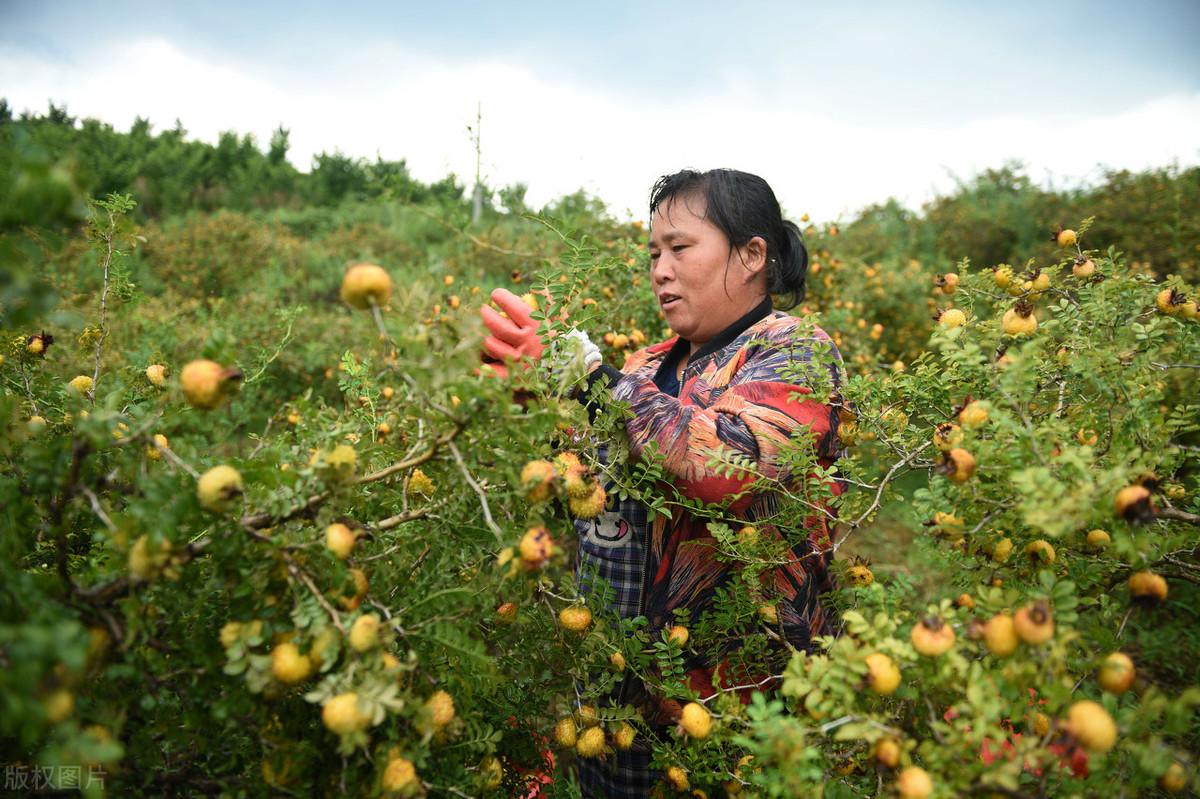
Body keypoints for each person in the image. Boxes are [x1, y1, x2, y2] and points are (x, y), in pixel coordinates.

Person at [480, 169, 846, 797]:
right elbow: (583, 478)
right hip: (617, 700)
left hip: (734, 704)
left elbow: (724, 470)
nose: (660, 269)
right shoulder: (646, 364)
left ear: (753, 255)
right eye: (653, 252)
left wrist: (593, 381)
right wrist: (525, 400)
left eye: (680, 248)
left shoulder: (795, 352)